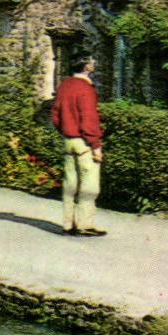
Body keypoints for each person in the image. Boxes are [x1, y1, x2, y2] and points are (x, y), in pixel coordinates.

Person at [53, 56, 105, 236]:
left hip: (68, 140)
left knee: (70, 185)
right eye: (91, 62)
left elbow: (56, 115)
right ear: (86, 66)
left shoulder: (64, 85)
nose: (94, 64)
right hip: (84, 142)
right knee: (89, 185)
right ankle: (84, 225)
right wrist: (96, 145)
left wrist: (66, 131)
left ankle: (68, 224)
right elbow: (88, 120)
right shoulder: (86, 89)